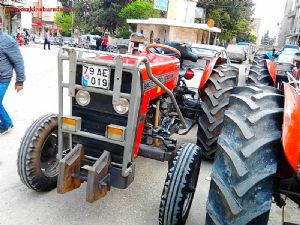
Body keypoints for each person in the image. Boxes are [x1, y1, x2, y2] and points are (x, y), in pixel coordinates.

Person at [0, 18, 25, 135]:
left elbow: (18, 61)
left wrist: (20, 81)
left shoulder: (8, 41)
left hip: (2, 78)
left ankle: (6, 124)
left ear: (1, 25)